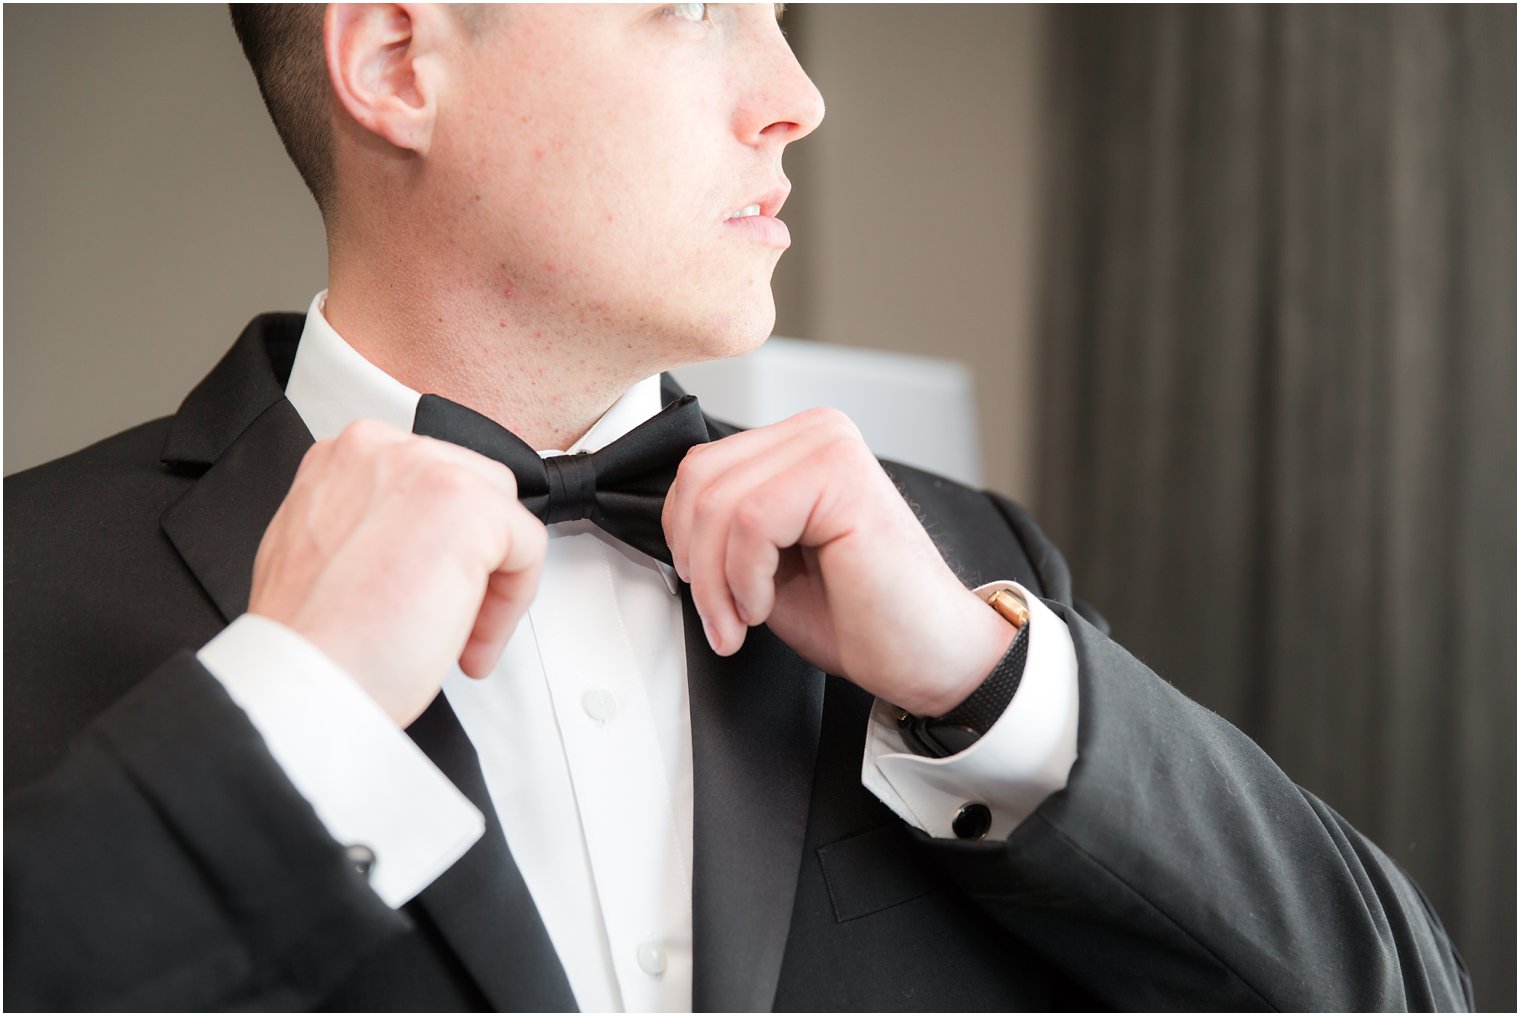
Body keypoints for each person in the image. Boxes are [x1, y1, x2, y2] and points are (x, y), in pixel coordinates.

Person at [3, 4, 1471, 1011]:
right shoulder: (26, 584)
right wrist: (286, 720)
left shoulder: (961, 572)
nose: (798, 97)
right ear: (397, 62)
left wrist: (991, 698)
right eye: (695, 5)